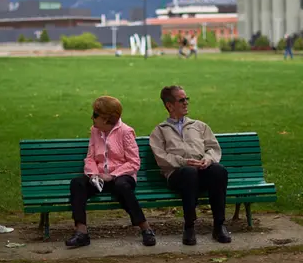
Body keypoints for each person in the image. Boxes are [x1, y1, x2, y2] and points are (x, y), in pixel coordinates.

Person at [66, 96, 157, 248]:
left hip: (121, 176)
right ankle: (81, 232)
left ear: (106, 118)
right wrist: (94, 174)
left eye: (95, 114)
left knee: (122, 187)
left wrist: (112, 175)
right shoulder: (96, 132)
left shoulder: (126, 132)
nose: (92, 117)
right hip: (100, 177)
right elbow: (90, 158)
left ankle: (145, 228)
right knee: (77, 183)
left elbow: (134, 162)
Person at [149, 85, 231, 246]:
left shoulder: (200, 126)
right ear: (169, 105)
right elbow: (161, 158)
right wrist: (184, 162)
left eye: (187, 99)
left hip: (201, 170)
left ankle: (219, 225)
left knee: (218, 171)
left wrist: (207, 159)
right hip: (178, 175)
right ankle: (189, 226)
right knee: (188, 173)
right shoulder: (160, 131)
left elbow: (213, 148)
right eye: (181, 100)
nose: (186, 103)